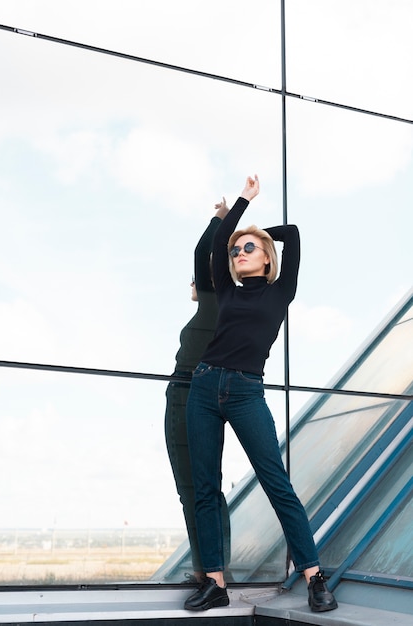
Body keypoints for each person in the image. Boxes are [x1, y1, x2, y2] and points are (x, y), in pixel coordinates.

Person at [184, 175, 338, 613]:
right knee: (206, 487)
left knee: (276, 484)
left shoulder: (281, 291)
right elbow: (218, 245)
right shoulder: (229, 288)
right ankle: (214, 582)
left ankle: (314, 577)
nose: (238, 253)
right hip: (204, 386)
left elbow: (293, 236)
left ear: (267, 258)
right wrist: (240, 206)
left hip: (247, 392)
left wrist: (258, 230)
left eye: (248, 249)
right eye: (236, 251)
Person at [165, 198, 231, 583]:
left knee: (193, 489)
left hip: (187, 395)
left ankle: (208, 572)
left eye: (200, 277)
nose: (194, 282)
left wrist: (220, 219)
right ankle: (214, 568)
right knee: (207, 489)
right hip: (201, 395)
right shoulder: (221, 308)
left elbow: (200, 251)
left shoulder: (214, 304)